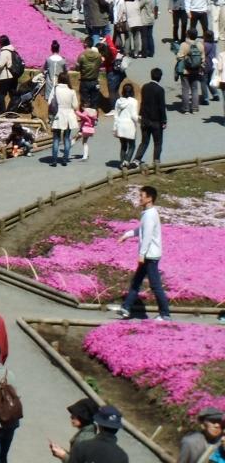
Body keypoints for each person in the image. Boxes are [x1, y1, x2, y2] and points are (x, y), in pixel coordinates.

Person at [110, 184, 170, 321]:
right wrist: (126, 235)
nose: (139, 198)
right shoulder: (148, 213)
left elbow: (147, 236)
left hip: (150, 256)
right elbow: (141, 230)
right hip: (148, 255)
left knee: (155, 286)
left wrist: (141, 254)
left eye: (141, 196)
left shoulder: (149, 215)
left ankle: (165, 314)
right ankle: (126, 308)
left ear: (149, 198)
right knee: (136, 282)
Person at [60, 406, 128, 463]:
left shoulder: (82, 447)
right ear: (117, 428)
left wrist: (63, 456)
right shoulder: (122, 457)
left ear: (99, 425)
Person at [133, 68, 167, 167]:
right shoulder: (160, 90)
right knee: (158, 142)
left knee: (144, 142)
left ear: (151, 75)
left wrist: (140, 114)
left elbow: (143, 102)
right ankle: (156, 161)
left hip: (145, 119)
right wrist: (164, 120)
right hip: (156, 121)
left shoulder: (145, 87)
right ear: (160, 77)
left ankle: (137, 160)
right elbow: (161, 106)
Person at [49, 73, 81, 167]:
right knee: (67, 138)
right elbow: (75, 106)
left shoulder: (55, 89)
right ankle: (65, 159)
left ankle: (54, 160)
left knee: (56, 138)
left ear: (59, 79)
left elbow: (50, 102)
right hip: (68, 115)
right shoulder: (71, 91)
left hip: (58, 115)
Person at [110, 83, 138, 168]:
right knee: (132, 145)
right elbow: (133, 116)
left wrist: (115, 127)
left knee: (123, 146)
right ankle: (126, 161)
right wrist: (139, 120)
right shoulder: (133, 101)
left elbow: (116, 115)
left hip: (120, 125)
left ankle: (122, 163)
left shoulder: (118, 101)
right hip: (129, 125)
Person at [0, 36, 19, 115]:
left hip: (5, 77)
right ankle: (12, 112)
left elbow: (0, 65)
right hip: (14, 76)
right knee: (13, 95)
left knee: (0, 95)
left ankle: (2, 113)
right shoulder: (13, 51)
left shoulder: (5, 52)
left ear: (1, 43)